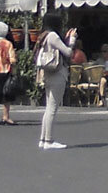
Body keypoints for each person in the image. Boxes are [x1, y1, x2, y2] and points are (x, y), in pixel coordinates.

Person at [33, 12, 76, 150]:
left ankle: (43, 139)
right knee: (52, 108)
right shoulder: (53, 35)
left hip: (47, 73)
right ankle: (49, 140)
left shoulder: (44, 35)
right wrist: (72, 40)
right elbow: (68, 52)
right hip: (57, 73)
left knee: (48, 107)